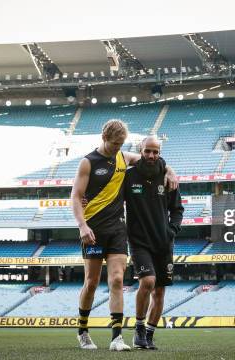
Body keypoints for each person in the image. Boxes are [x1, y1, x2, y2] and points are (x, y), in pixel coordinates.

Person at [72, 119, 177, 351]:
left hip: (118, 229)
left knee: (117, 280)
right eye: (115, 143)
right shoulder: (87, 163)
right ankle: (83, 331)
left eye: (121, 144)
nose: (118, 148)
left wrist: (170, 170)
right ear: (104, 138)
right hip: (93, 230)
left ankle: (116, 338)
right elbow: (76, 197)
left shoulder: (123, 157)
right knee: (90, 283)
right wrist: (82, 226)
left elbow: (153, 160)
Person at [123, 135, 184, 350]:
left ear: (160, 153)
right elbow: (111, 197)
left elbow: (177, 210)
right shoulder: (128, 177)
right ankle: (139, 329)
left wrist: (171, 231)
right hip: (139, 241)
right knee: (147, 282)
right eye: (148, 151)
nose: (151, 155)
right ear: (141, 150)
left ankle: (149, 335)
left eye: (155, 152)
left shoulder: (168, 178)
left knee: (160, 292)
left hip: (164, 242)